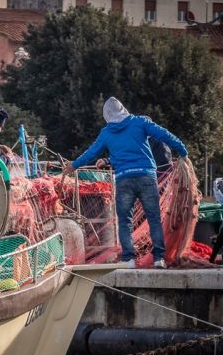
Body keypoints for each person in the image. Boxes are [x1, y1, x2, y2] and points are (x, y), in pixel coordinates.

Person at [65, 97, 188, 269]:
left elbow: (90, 153)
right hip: (146, 177)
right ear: (123, 109)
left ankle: (129, 259)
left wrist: (73, 165)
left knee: (124, 221)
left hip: (123, 180)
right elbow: (164, 134)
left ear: (106, 115)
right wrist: (183, 151)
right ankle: (159, 258)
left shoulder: (106, 133)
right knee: (154, 218)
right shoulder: (140, 122)